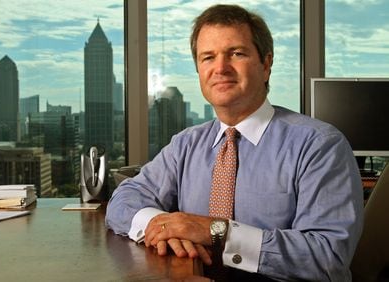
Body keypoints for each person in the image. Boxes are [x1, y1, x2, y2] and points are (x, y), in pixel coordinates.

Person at [105, 4, 363, 281]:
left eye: (236, 54)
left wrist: (217, 232)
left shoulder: (319, 146)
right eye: (207, 57)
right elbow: (123, 200)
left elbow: (328, 258)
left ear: (266, 64)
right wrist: (159, 224)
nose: (220, 68)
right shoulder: (186, 145)